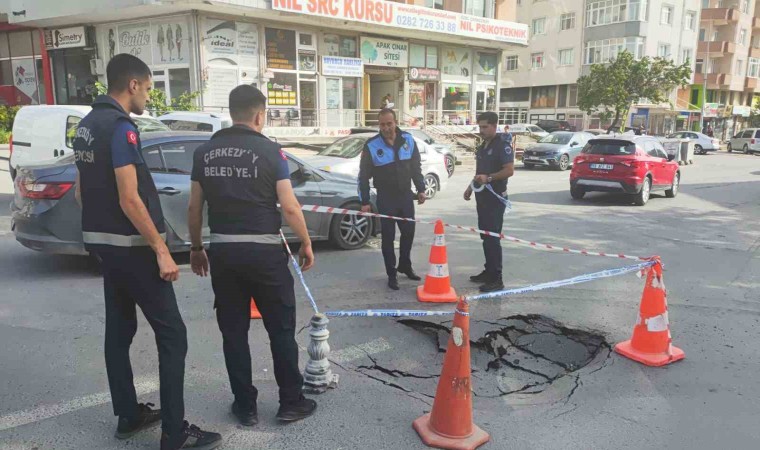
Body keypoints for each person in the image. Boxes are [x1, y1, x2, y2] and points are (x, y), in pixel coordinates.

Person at [73, 54, 221, 450]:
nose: (149, 96)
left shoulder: (86, 126)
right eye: (150, 87)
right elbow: (129, 198)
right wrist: (160, 249)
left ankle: (129, 415)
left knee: (119, 331)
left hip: (104, 248)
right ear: (133, 84)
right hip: (135, 249)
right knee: (173, 335)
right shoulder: (122, 129)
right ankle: (174, 433)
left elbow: (80, 191)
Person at [187, 85, 317, 427]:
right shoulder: (272, 152)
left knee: (234, 332)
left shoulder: (205, 152)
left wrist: (197, 248)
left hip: (224, 254)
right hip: (265, 255)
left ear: (232, 112)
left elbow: (194, 206)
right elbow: (289, 206)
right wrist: (305, 241)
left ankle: (245, 406)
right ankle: (291, 401)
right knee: (281, 330)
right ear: (260, 115)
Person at [359, 108, 426, 290]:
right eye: (382, 125)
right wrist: (365, 202)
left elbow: (416, 168)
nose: (386, 128)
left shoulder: (408, 140)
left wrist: (421, 189)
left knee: (409, 233)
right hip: (385, 198)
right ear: (378, 125)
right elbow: (363, 176)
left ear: (395, 122)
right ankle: (391, 273)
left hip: (405, 196)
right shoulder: (371, 145)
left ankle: (405, 264)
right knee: (388, 238)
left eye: (389, 124)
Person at [463, 111, 515, 293]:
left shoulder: (503, 145)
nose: (481, 130)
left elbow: (509, 170)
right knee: (485, 236)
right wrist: (470, 186)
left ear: (495, 125)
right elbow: (480, 172)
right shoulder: (483, 146)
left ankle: (496, 278)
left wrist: (490, 178)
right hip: (482, 197)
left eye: (485, 127)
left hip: (495, 198)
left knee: (493, 238)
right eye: (480, 127)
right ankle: (489, 271)